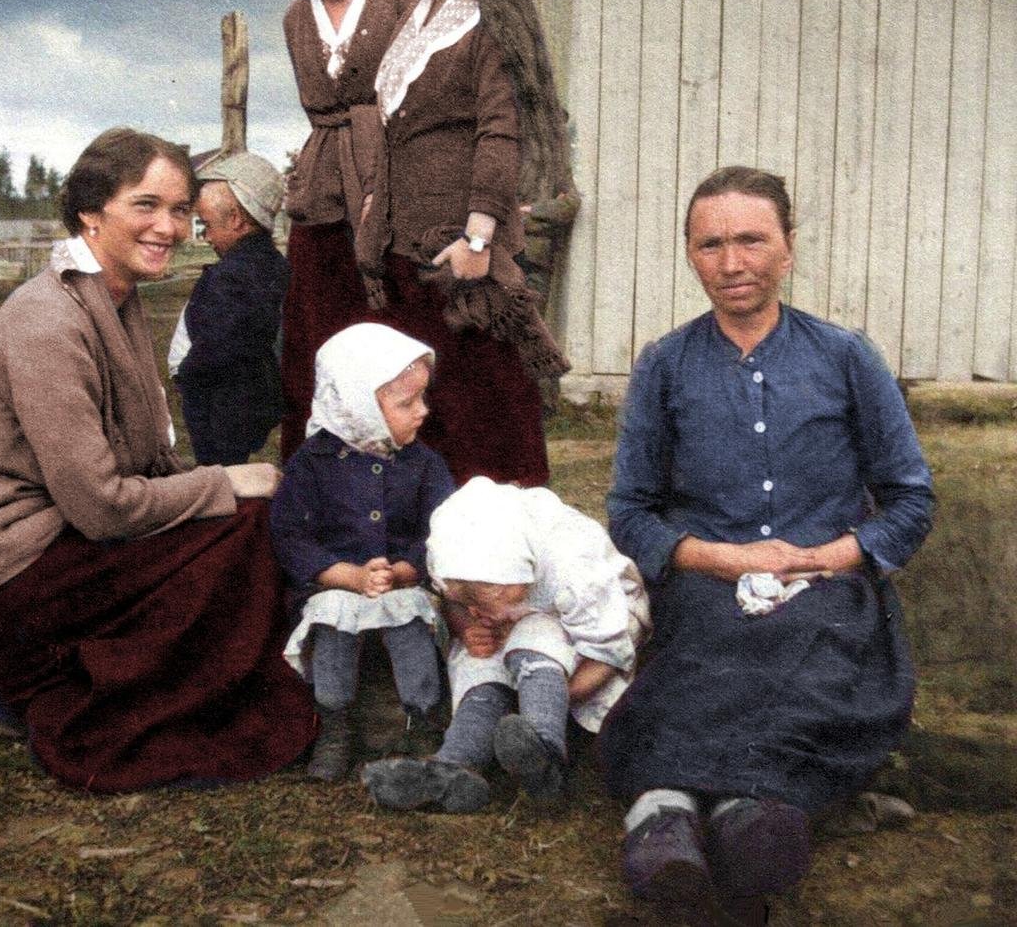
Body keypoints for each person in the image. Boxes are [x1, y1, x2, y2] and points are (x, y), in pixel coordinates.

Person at [0, 128, 315, 792]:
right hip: (10, 573)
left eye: (179, 209)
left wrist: (230, 489)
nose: (169, 226)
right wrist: (222, 481)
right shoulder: (48, 322)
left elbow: (145, 457)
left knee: (250, 518)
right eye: (146, 205)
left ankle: (178, 674)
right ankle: (80, 690)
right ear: (89, 212)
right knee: (239, 529)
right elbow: (104, 506)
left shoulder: (113, 297)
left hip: (62, 538)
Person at [601, 166, 934, 915]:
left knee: (803, 650)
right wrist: (721, 558)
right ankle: (664, 822)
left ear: (788, 248)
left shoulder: (847, 356)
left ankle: (750, 818)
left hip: (827, 591)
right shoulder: (665, 364)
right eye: (711, 243)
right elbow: (631, 510)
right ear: (689, 253)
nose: (731, 262)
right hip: (707, 584)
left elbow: (911, 500)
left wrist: (825, 556)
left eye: (751, 239)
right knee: (699, 654)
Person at [360, 0, 571, 486]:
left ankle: (510, 548)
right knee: (427, 409)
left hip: (459, 253)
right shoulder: (423, 16)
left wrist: (480, 238)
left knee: (487, 411)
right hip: (406, 250)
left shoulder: (484, 18)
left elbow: (498, 132)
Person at [363, 476, 648, 813]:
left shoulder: (574, 568)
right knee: (480, 663)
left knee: (534, 645)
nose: (477, 612)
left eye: (487, 606)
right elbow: (453, 601)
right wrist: (469, 627)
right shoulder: (457, 547)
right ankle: (452, 768)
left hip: (583, 633)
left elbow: (607, 650)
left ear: (518, 582)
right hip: (523, 618)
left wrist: (549, 697)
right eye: (472, 605)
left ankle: (543, 754)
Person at [271, 322, 455, 781]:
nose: (422, 412)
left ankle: (422, 716)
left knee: (411, 617)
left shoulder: (424, 463)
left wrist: (408, 568)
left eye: (422, 399)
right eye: (406, 402)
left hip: (401, 580)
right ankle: (335, 724)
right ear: (358, 405)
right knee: (333, 619)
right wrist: (347, 576)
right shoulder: (312, 463)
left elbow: (444, 526)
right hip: (336, 582)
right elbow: (290, 535)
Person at [277, 0, 418, 459]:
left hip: (388, 166)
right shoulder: (294, 19)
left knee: (386, 311)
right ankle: (315, 456)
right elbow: (315, 102)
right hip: (324, 177)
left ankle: (396, 446)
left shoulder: (397, 2)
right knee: (315, 314)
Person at [168, 150, 288, 466]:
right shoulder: (270, 265)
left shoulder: (235, 275)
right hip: (237, 404)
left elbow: (220, 347)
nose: (205, 236)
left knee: (221, 478)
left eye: (206, 225)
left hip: (220, 408)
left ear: (236, 219)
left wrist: (187, 374)